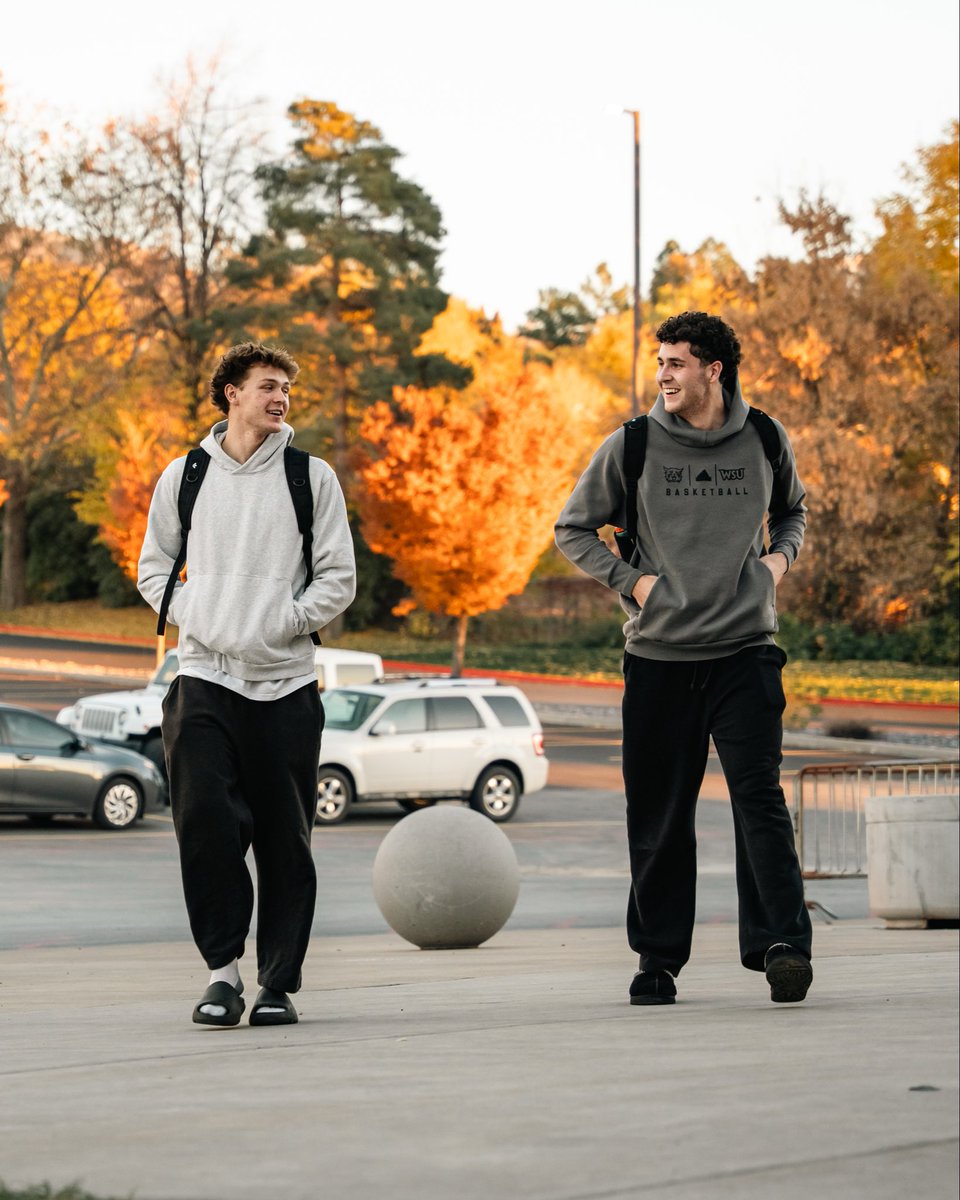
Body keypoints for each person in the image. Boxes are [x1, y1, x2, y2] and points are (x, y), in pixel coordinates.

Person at [555, 311, 813, 1006]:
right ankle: (658, 959)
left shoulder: (763, 436)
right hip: (659, 657)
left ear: (712, 370)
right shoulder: (632, 444)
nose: (663, 374)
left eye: (675, 363)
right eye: (660, 362)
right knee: (660, 813)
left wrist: (774, 567)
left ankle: (783, 945)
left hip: (745, 652)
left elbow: (794, 511)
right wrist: (634, 583)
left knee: (759, 800)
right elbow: (572, 527)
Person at [138, 342, 356, 1027]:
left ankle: (278, 984)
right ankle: (222, 974)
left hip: (286, 685)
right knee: (204, 823)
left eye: (286, 388)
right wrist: (201, 616)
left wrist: (285, 621)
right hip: (201, 677)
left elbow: (338, 579)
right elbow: (152, 572)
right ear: (230, 393)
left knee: (286, 839)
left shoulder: (309, 477)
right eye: (267, 385)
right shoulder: (186, 475)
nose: (281, 398)